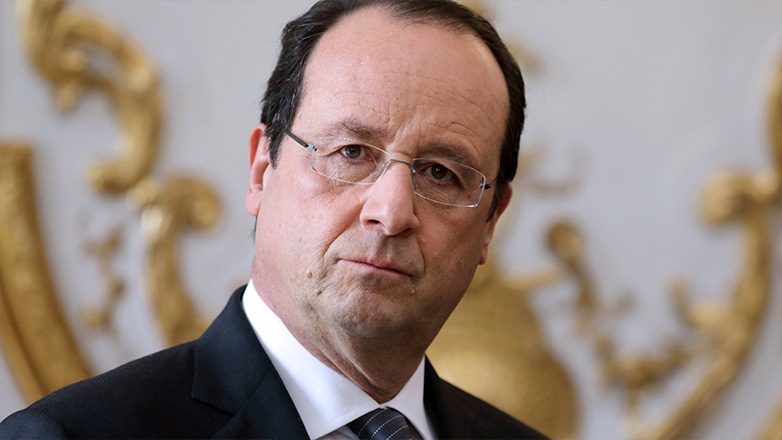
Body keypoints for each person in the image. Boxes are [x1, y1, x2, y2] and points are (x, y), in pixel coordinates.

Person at [0, 0, 543, 438]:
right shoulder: (73, 434)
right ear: (262, 170)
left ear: (491, 223)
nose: (391, 212)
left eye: (441, 173)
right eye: (351, 152)